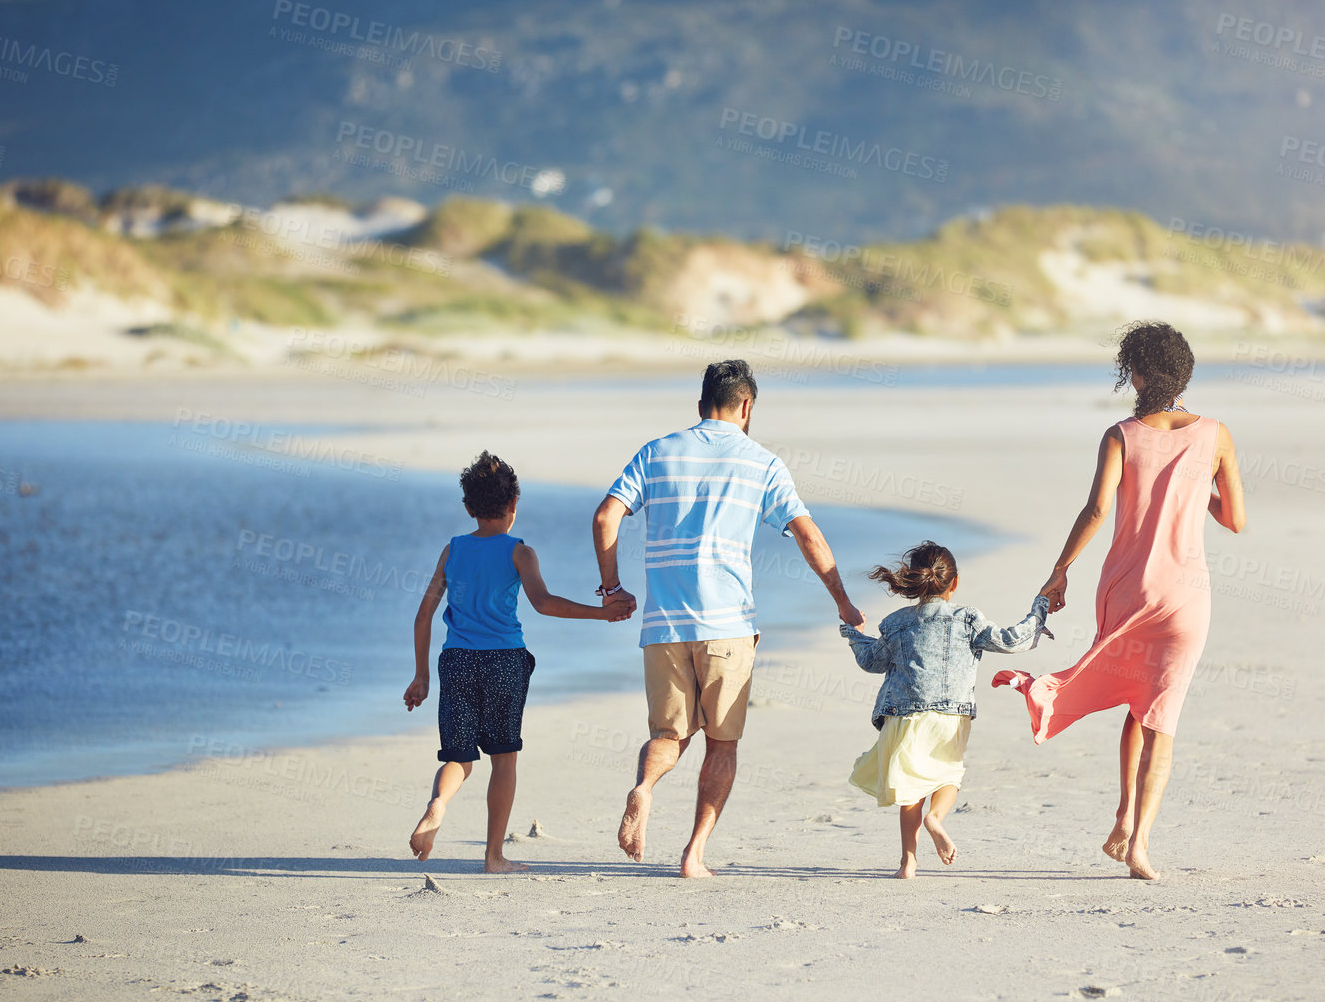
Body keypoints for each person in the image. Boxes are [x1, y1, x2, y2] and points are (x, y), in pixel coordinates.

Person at [993, 321, 1246, 881]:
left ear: (1133, 373)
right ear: (1185, 374)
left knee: (1138, 700)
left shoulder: (1120, 435)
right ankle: (1139, 841)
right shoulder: (1217, 434)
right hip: (1186, 597)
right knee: (1161, 712)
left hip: (1127, 589)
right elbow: (1236, 520)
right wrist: (1195, 486)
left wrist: (1058, 573)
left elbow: (1096, 511)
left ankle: (1122, 814)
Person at [593, 359, 865, 878]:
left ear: (700, 406)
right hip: (728, 626)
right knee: (722, 743)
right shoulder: (761, 461)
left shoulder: (656, 452)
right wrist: (842, 601)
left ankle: (644, 788)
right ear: (747, 407)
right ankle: (693, 854)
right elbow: (808, 534)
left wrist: (611, 589)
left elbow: (606, 516)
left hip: (664, 626)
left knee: (669, 735)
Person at [404, 451, 632, 870]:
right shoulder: (519, 552)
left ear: (470, 508)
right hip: (504, 662)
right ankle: (494, 856)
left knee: (459, 757)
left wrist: (421, 676)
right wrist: (602, 612)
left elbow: (423, 616)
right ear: (513, 506)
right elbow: (544, 604)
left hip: (456, 661)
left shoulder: (452, 551)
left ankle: (438, 803)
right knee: (503, 759)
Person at [841, 542, 1050, 878]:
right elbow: (1013, 641)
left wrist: (854, 633)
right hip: (952, 717)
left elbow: (871, 661)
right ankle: (936, 818)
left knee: (911, 789)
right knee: (949, 776)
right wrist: (1039, 611)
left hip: (904, 717)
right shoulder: (967, 619)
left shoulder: (895, 623)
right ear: (954, 583)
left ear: (912, 581)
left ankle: (908, 862)